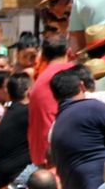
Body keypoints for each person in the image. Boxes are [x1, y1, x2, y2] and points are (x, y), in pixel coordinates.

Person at [46, 65, 105, 189]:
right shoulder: (93, 106)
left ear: (56, 98)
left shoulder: (54, 129)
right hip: (103, 186)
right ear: (81, 86)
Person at [26, 35, 75, 169]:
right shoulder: (70, 73)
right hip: (58, 156)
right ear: (69, 52)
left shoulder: (39, 80)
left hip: (42, 155)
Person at [0, 72, 35, 189]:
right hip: (16, 181)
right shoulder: (28, 112)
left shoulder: (10, 113)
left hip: (2, 181)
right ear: (29, 91)